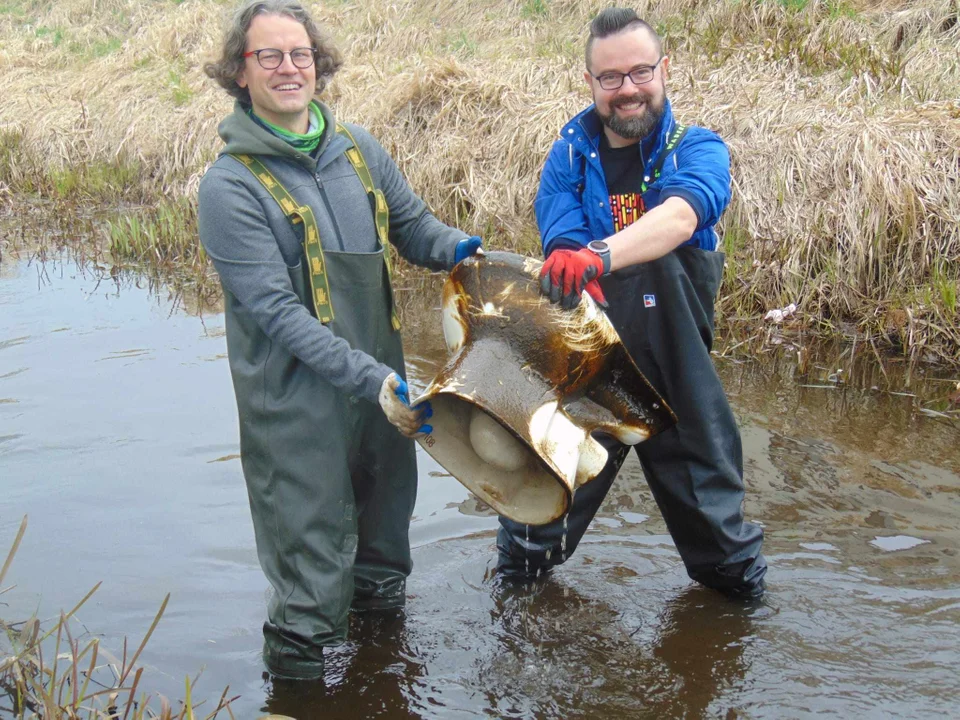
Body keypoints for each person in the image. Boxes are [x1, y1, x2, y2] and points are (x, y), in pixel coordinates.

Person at [198, 0, 482, 680]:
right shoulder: (230, 185)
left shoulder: (359, 150)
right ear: (241, 72)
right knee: (310, 586)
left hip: (384, 400)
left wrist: (473, 257)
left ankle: (380, 685)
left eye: (300, 54)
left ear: (318, 64)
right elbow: (278, 314)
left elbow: (415, 229)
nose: (289, 68)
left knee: (384, 559)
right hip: (295, 414)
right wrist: (375, 381)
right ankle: (300, 692)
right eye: (269, 55)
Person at [496, 8, 767, 599]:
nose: (628, 90)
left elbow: (681, 215)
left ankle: (740, 644)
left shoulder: (697, 149)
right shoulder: (566, 158)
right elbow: (560, 236)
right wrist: (573, 255)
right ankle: (513, 635)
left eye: (640, 72)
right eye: (610, 77)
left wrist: (598, 255)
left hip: (674, 373)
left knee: (724, 554)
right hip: (586, 366)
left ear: (663, 69)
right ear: (590, 82)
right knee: (530, 527)